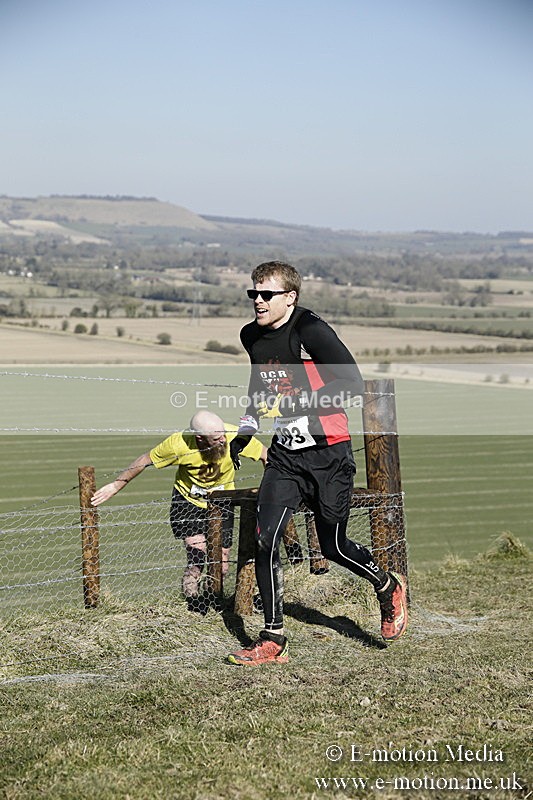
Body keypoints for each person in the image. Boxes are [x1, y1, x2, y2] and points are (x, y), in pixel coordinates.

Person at [227, 261, 408, 665]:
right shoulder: (250, 335)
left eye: (266, 294)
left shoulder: (311, 330)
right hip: (285, 457)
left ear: (290, 297)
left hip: (328, 454)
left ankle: (387, 586)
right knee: (265, 539)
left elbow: (352, 384)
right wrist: (245, 430)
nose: (258, 301)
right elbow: (260, 387)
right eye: (253, 293)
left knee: (334, 546)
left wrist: (294, 405)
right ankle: (272, 638)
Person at [91, 410, 267, 604]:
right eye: (217, 439)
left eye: (223, 435)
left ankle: (213, 600)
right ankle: (193, 604)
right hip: (188, 503)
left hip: (223, 502)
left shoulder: (235, 436)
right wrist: (116, 486)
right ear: (199, 438)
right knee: (197, 560)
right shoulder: (178, 444)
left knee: (222, 564)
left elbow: (266, 456)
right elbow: (144, 460)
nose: (224, 440)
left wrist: (271, 492)